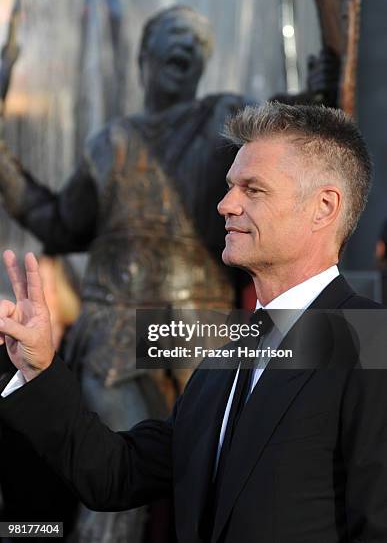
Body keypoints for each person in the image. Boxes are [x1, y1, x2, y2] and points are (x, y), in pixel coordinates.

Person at [2, 101, 381, 543]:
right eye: (229, 187)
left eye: (252, 190)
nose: (224, 204)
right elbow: (114, 475)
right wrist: (39, 367)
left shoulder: (371, 342)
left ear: (323, 207)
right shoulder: (225, 358)